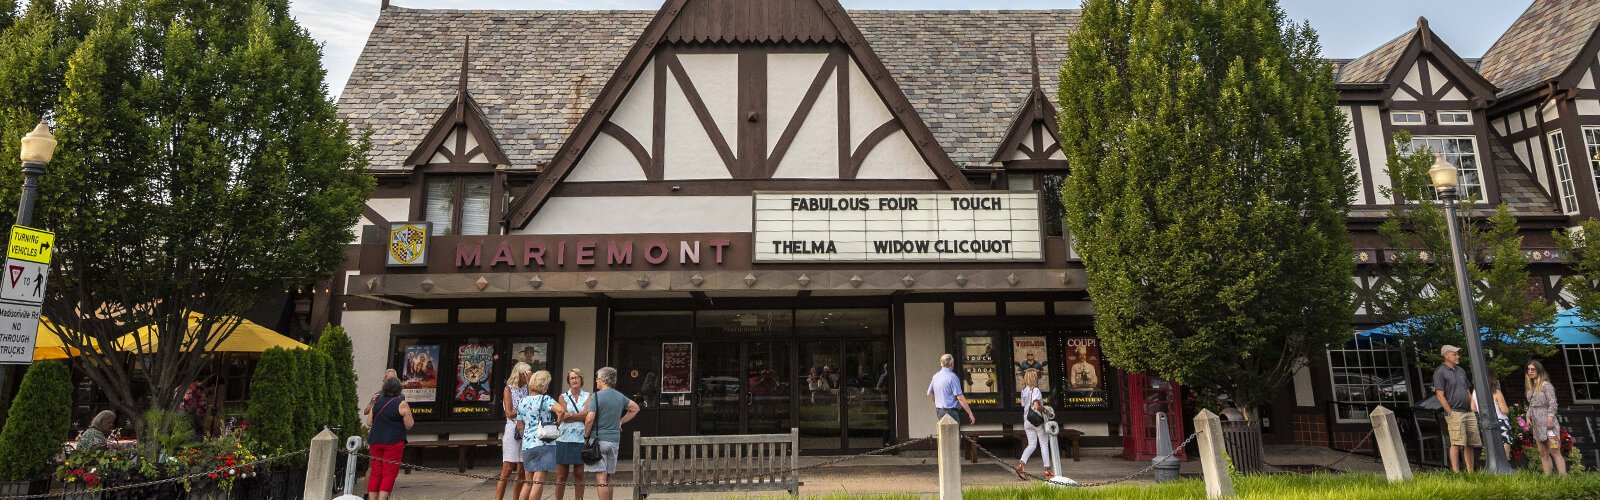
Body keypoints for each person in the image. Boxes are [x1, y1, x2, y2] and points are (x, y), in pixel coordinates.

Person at [593, 367, 640, 500]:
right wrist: (621, 421)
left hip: (599, 439)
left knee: (600, 478)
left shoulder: (596, 397)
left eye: (597, 378)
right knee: (608, 477)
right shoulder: (619, 396)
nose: (596, 381)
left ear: (603, 380)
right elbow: (635, 408)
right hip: (614, 440)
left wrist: (586, 435)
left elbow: (590, 418)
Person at [1432, 345, 1478, 473]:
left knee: (1471, 443)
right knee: (1457, 443)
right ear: (1446, 356)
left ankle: (1470, 472)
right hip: (1455, 411)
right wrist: (1450, 413)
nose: (1458, 356)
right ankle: (1456, 473)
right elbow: (1440, 395)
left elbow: (1468, 391)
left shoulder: (1461, 371)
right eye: (1455, 354)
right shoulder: (1440, 372)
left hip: (1468, 411)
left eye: (1457, 354)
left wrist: (1473, 407)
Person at [367, 377, 414, 500]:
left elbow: (369, 422)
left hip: (375, 440)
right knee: (389, 473)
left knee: (376, 472)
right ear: (399, 389)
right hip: (393, 441)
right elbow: (409, 425)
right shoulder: (401, 403)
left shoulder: (377, 403)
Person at [517, 370, 558, 500]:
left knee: (528, 482)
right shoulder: (545, 399)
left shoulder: (523, 401)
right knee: (538, 481)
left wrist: (526, 436)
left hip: (527, 444)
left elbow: (519, 425)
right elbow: (561, 410)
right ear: (544, 384)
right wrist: (558, 423)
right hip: (544, 442)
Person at [554, 369, 594, 500]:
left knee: (579, 474)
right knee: (561, 475)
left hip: (580, 439)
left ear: (581, 379)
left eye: (577, 377)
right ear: (568, 381)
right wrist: (578, 415)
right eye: (571, 378)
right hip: (563, 438)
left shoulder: (588, 396)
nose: (574, 380)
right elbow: (562, 415)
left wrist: (570, 415)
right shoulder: (562, 396)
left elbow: (587, 415)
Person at [495, 363, 533, 500]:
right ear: (520, 373)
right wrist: (524, 408)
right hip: (513, 427)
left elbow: (535, 401)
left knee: (522, 469)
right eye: (527, 373)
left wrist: (530, 383)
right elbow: (509, 413)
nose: (528, 376)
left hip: (526, 428)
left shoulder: (528, 389)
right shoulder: (508, 389)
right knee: (507, 468)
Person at [1526, 360, 1567, 475]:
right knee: (1543, 453)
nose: (1530, 371)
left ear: (1539, 370)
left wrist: (1550, 418)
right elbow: (1531, 404)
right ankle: (1548, 479)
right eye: (1528, 369)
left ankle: (1564, 479)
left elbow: (1553, 403)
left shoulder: (1546, 385)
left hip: (1549, 425)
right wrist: (1528, 416)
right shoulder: (1531, 387)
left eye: (1532, 369)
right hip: (1537, 425)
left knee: (1555, 451)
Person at [1016, 370, 1053, 480]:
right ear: (1034, 378)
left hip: (1027, 420)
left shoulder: (1023, 391)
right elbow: (1036, 405)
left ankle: (1021, 465)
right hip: (1036, 420)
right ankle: (1047, 470)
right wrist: (1045, 410)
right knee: (1044, 444)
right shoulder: (1035, 390)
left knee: (1031, 444)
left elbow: (1024, 404)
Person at [928, 354, 975, 428]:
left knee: (944, 435)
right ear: (951, 364)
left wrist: (938, 401)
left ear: (941, 363)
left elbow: (929, 393)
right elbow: (960, 397)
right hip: (951, 411)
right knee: (953, 436)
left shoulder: (935, 376)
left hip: (939, 411)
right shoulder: (952, 377)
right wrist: (970, 413)